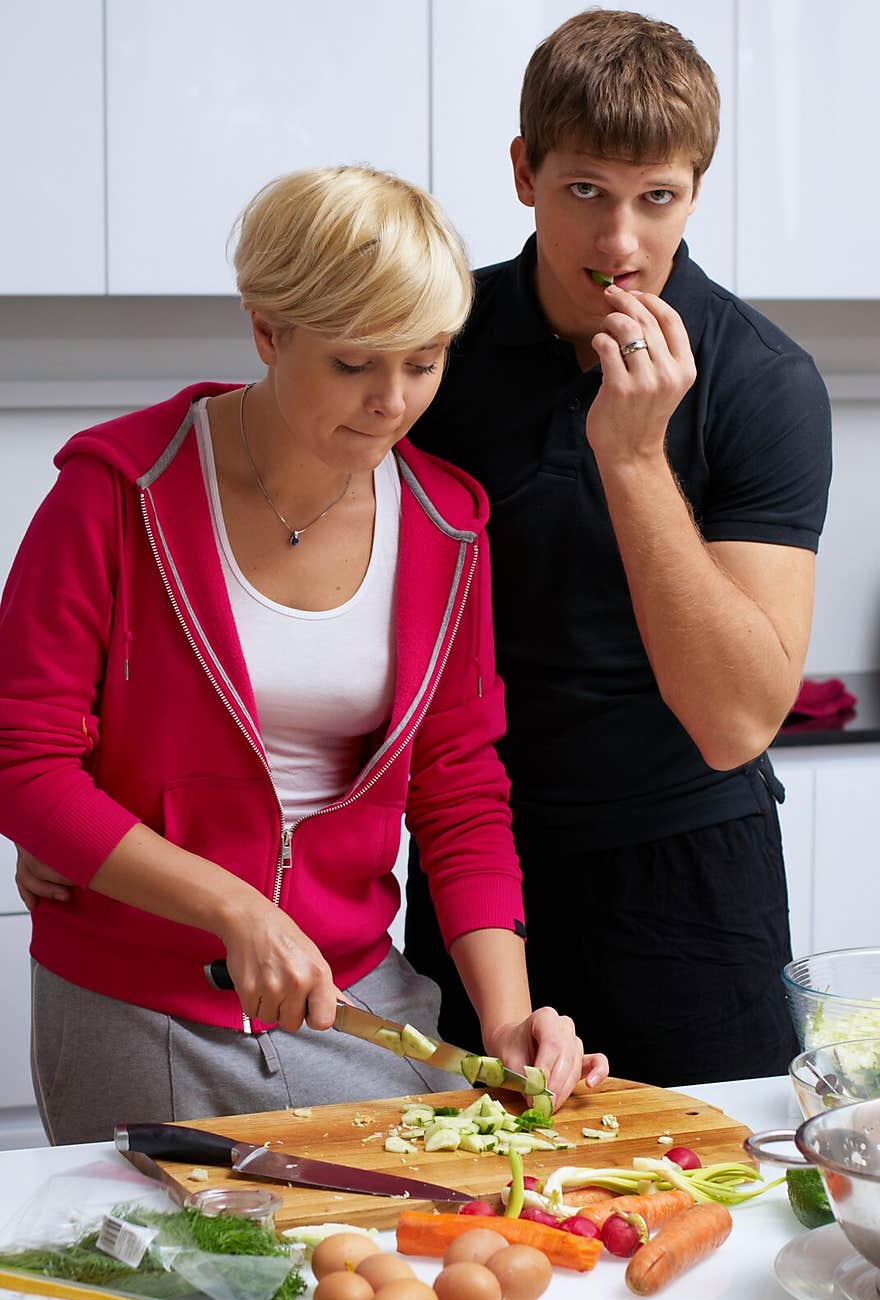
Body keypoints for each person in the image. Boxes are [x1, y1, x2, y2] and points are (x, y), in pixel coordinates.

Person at [0, 164, 607, 1145]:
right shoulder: (118, 492)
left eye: (424, 360)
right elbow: (23, 766)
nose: (393, 402)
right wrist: (232, 905)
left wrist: (506, 1016)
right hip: (141, 1000)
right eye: (356, 363)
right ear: (268, 330)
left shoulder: (449, 525)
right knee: (188, 1296)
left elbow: (458, 789)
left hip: (359, 995)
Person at [402, 8, 833, 1088]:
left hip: (686, 872)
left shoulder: (762, 382)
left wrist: (633, 457)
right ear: (522, 172)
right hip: (474, 866)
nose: (620, 244)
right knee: (471, 1199)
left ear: (695, 190)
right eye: (584, 190)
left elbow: (736, 720)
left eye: (658, 199)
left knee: (712, 1205)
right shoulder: (429, 354)